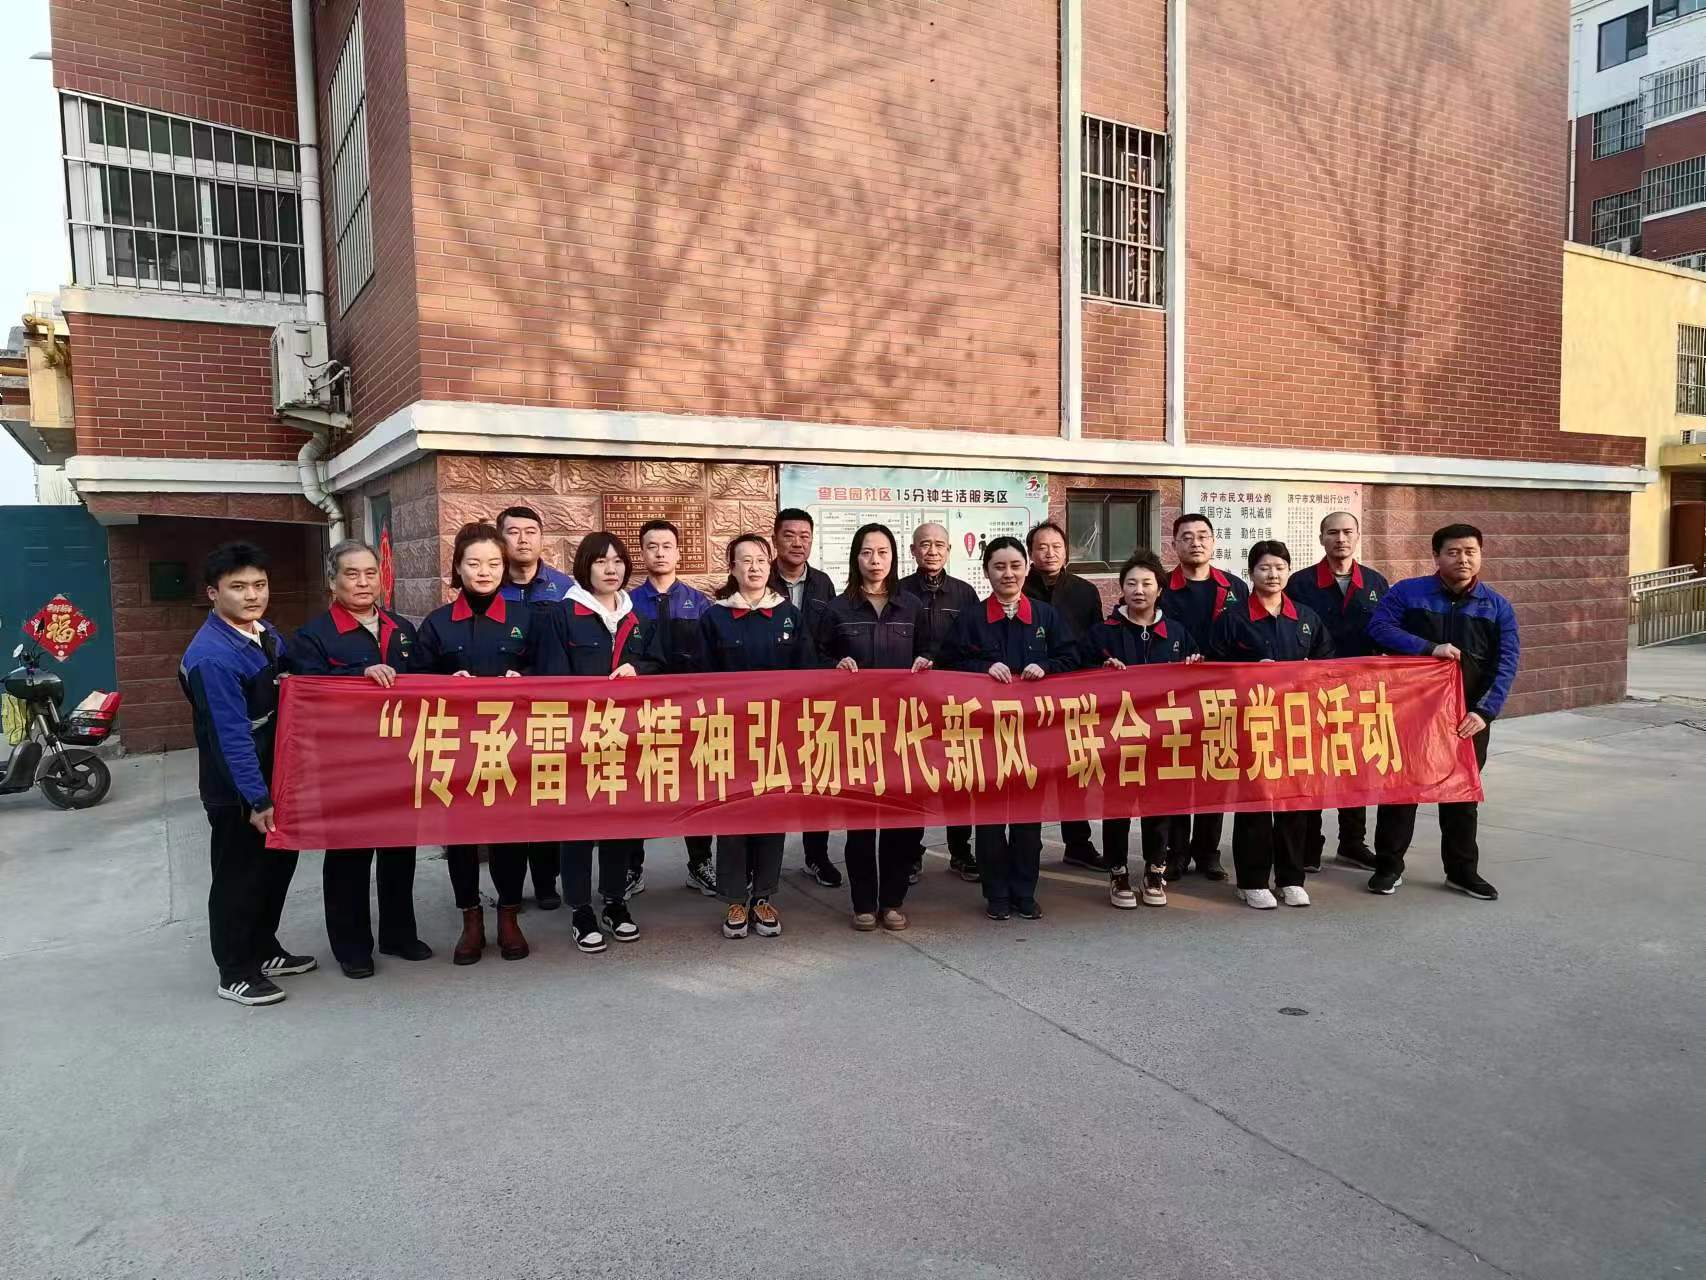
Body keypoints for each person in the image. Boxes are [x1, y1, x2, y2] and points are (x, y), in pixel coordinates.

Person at [290, 540, 433, 979]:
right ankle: (351, 947)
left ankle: (398, 934)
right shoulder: (313, 636)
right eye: (351, 574)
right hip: (346, 766)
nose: (363, 582)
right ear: (332, 582)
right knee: (349, 857)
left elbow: (428, 684)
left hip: (399, 759)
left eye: (371, 573)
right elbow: (308, 693)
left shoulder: (401, 628)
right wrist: (358, 677)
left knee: (399, 852)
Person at [178, 542, 313, 1006]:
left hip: (277, 777)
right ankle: (235, 970)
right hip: (238, 790)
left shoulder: (265, 633)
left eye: (260, 585)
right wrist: (257, 799)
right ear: (212, 593)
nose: (252, 595)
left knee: (276, 867)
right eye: (238, 587)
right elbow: (229, 737)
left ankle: (263, 948)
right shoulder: (212, 656)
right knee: (239, 877)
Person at [1366, 523, 1518, 901]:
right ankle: (1388, 866)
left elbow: (1505, 664)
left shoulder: (1496, 606)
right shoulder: (1408, 593)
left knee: (1461, 796)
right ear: (1436, 556)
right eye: (1453, 552)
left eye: (1470, 551)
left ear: (1480, 555)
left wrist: (1484, 712)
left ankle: (1462, 871)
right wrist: (1428, 648)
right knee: (1401, 792)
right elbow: (1379, 627)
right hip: (1411, 714)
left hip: (1466, 719)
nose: (1462, 559)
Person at [416, 522, 540, 964]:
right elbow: (416, 681)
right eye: (474, 563)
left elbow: (551, 673)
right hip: (457, 746)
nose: (484, 571)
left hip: (512, 744)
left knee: (510, 832)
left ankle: (509, 916)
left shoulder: (528, 619)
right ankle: (470, 919)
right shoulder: (437, 624)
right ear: (458, 568)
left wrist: (524, 679)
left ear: (504, 568)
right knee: (461, 835)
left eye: (493, 563)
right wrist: (445, 683)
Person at [942, 536, 1078, 922]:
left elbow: (1072, 657)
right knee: (989, 824)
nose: (1008, 574)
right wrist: (981, 669)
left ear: (1026, 569)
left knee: (1027, 825)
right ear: (986, 572)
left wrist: (1046, 667)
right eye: (999, 566)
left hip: (1033, 737)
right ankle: (996, 895)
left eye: (1016, 566)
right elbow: (948, 665)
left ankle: (1024, 893)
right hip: (985, 738)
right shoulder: (971, 618)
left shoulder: (1045, 617)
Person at [534, 532, 654, 953]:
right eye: (601, 561)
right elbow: (552, 678)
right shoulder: (564, 614)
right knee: (579, 827)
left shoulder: (637, 617)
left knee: (618, 822)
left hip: (626, 737)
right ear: (585, 567)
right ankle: (581, 909)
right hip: (578, 739)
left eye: (618, 561)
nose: (611, 569)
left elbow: (659, 664)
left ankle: (615, 901)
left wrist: (638, 670)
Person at [812, 523, 931, 931]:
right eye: (866, 552)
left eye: (882, 552)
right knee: (861, 824)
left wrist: (926, 662)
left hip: (904, 730)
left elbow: (930, 651)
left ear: (893, 557)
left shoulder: (911, 606)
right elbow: (815, 657)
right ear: (855, 558)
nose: (875, 560)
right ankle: (863, 903)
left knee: (902, 822)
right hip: (855, 731)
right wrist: (834, 665)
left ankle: (893, 902)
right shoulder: (838, 609)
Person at [701, 533, 819, 939]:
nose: (754, 567)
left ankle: (764, 895)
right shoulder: (714, 618)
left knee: (771, 813)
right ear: (732, 568)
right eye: (745, 560)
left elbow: (806, 673)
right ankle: (735, 897)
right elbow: (701, 678)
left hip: (777, 735)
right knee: (733, 814)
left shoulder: (788, 615)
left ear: (770, 567)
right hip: (729, 735)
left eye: (760, 560)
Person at [1209, 540, 1333, 909]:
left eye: (1280, 567)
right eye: (1264, 568)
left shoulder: (1306, 618)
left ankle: (1291, 878)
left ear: (1289, 571)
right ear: (1251, 573)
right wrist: (1250, 672)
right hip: (1251, 723)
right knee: (1256, 804)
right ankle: (1252, 881)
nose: (1273, 574)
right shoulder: (1233, 619)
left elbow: (1328, 665)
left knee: (1295, 804)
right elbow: (1213, 671)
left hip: (1297, 724)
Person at [1078, 550, 1201, 910]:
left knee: (1158, 805)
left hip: (1163, 736)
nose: (1139, 590)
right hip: (1116, 735)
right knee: (1117, 805)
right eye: (1131, 583)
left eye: (1147, 583)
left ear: (1159, 589)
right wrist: (1100, 669)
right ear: (1122, 589)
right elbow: (1077, 674)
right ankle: (1117, 872)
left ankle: (1155, 870)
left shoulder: (1176, 632)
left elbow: (1198, 674)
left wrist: (1194, 664)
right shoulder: (1103, 633)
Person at [1284, 511, 1390, 873]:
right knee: (1311, 765)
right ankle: (1309, 845)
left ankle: (1352, 842)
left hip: (1360, 691)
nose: (1340, 539)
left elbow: (1388, 630)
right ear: (1321, 538)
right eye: (1332, 533)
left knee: (1354, 764)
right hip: (1311, 690)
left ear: (1357, 536)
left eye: (1347, 532)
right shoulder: (1300, 583)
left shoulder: (1375, 582)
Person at [631, 518, 718, 898]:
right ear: (642, 553)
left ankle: (700, 863)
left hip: (690, 714)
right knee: (635, 789)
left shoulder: (699, 604)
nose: (660, 553)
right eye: (652, 546)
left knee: (696, 788)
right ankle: (632, 867)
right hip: (640, 715)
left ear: (679, 553)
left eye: (667, 546)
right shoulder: (628, 603)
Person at [1159, 514, 1248, 883]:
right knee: (1178, 773)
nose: (1195, 543)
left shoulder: (1235, 587)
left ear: (1213, 542)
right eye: (1186, 537)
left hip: (1222, 694)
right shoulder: (1161, 586)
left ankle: (1208, 852)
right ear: (1174, 544)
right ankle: (1176, 853)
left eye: (1202, 536)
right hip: (1173, 695)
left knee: (1216, 770)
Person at [497, 504, 574, 911]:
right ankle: (508, 890)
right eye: (513, 532)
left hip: (549, 711)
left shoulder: (564, 588)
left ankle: (547, 882)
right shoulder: (489, 586)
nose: (523, 539)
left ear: (542, 538)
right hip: (501, 715)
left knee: (546, 796)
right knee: (506, 799)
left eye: (531, 531)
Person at [1022, 519, 1109, 872]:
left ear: (1066, 551)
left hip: (1074, 696)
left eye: (1056, 546)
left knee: (1075, 774)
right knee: (1030, 774)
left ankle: (1078, 844)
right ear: (1030, 553)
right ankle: (1027, 847)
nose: (1049, 553)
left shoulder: (1084, 591)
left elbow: (1097, 639)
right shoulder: (1019, 587)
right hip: (1028, 697)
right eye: (1041, 547)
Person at [897, 521, 980, 883]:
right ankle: (910, 853)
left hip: (954, 702)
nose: (932, 551)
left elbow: (975, 642)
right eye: (924, 544)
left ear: (949, 551)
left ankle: (960, 851)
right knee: (913, 776)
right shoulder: (898, 591)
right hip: (910, 703)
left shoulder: (965, 594)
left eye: (939, 545)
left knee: (957, 777)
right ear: (912, 550)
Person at [770, 507, 841, 889]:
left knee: (818, 779)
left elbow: (832, 637)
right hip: (770, 701)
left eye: (805, 536)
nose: (798, 543)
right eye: (789, 535)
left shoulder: (823, 584)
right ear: (775, 539)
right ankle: (765, 864)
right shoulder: (759, 578)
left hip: (816, 698)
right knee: (770, 780)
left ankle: (817, 855)